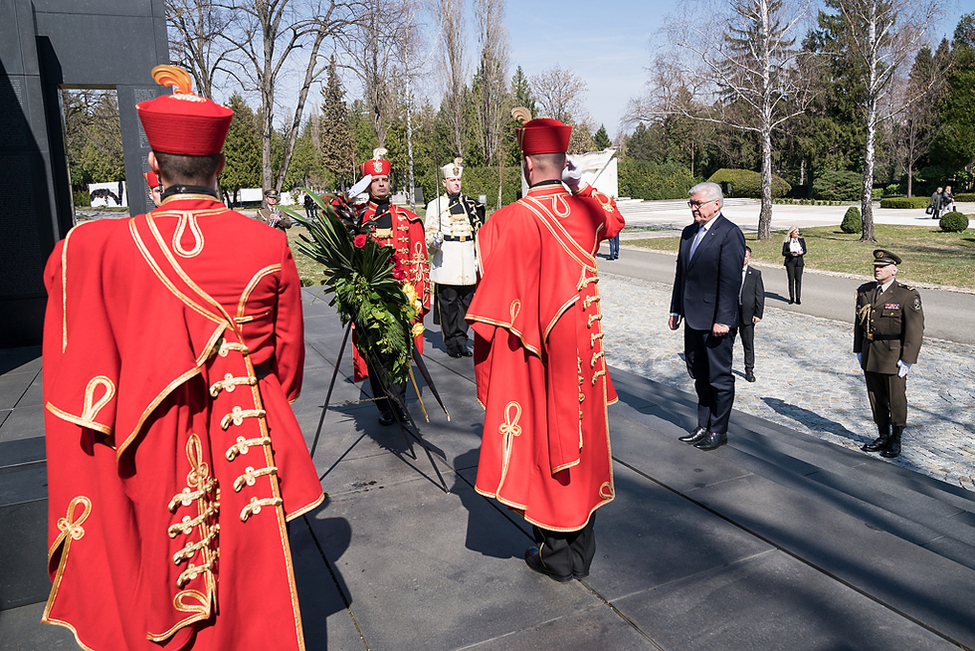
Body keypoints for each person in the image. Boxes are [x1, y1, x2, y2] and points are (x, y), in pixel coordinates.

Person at [40, 65, 323, 650]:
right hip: (245, 428)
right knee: (248, 576)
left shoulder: (108, 248)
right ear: (220, 167)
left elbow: (61, 276)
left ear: (153, 171)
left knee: (159, 552)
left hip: (147, 432)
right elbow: (287, 357)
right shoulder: (268, 243)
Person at [466, 117, 625, 583]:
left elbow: (492, 304)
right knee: (585, 444)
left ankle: (555, 554)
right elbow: (615, 220)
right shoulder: (583, 211)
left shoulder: (514, 218)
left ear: (529, 164)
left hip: (542, 358)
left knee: (547, 447)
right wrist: (583, 185)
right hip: (586, 359)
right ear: (562, 162)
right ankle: (581, 552)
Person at [354, 148, 430, 425]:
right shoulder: (358, 219)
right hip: (371, 299)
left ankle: (398, 403)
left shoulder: (407, 218)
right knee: (375, 354)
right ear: (367, 184)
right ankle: (384, 406)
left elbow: (420, 258)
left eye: (385, 178)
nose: (382, 184)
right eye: (375, 180)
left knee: (400, 353)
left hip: (402, 297)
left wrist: (420, 297)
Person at [669, 182, 746, 451]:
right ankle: (703, 425)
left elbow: (730, 281)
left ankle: (719, 429)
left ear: (716, 204)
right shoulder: (689, 232)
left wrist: (724, 319)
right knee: (700, 375)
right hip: (692, 316)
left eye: (697, 204)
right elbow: (682, 274)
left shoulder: (729, 233)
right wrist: (675, 308)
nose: (693, 209)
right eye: (691, 204)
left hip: (716, 321)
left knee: (719, 379)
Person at [854, 249, 924, 459]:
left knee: (896, 399)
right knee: (875, 397)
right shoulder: (865, 291)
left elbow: (914, 329)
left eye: (882, 267)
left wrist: (908, 359)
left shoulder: (906, 294)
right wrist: (858, 349)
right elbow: (859, 323)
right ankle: (882, 434)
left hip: (893, 355)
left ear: (893, 270)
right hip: (870, 352)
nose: (877, 270)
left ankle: (896, 437)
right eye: (876, 266)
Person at [425, 158, 485, 358]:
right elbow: (429, 235)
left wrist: (478, 256)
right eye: (452, 180)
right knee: (449, 304)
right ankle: (451, 343)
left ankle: (462, 338)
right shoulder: (435, 204)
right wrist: (435, 240)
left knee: (467, 302)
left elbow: (478, 231)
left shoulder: (470, 204)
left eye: (458, 180)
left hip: (467, 257)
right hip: (447, 258)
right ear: (444, 182)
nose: (456, 183)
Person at [738, 246, 765, 383]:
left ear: (749, 258)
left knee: (748, 343)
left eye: (746, 256)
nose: (743, 258)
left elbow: (760, 295)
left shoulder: (755, 274)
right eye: (741, 255)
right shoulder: (730, 271)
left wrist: (758, 314)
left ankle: (749, 370)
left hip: (748, 314)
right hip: (732, 312)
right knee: (726, 343)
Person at [782, 226, 805, 305]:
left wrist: (802, 252)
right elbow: (783, 253)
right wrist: (790, 253)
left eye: (798, 232)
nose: (797, 234)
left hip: (799, 261)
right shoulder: (787, 241)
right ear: (791, 233)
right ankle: (791, 298)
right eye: (795, 232)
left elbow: (805, 250)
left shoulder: (801, 240)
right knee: (791, 280)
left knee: (798, 280)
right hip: (790, 262)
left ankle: (798, 298)